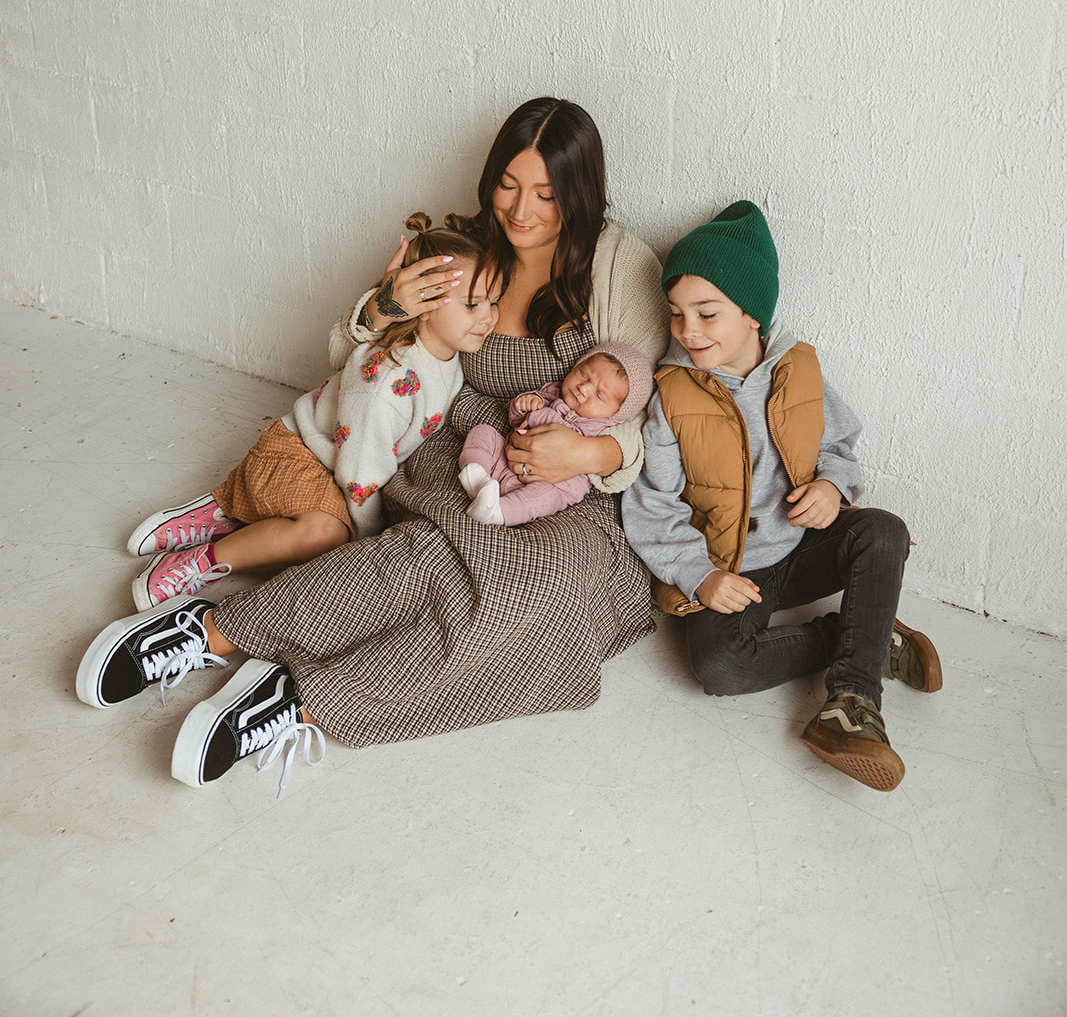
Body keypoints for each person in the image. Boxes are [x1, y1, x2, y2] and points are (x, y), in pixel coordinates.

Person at [76, 98, 671, 795]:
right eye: (508, 184)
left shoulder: (617, 265)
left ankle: (295, 697)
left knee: (548, 595)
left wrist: (590, 456)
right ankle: (208, 633)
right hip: (465, 442)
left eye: (545, 192)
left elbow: (644, 406)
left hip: (576, 483)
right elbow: (354, 358)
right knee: (442, 554)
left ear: (581, 192)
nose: (521, 210)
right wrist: (383, 307)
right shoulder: (464, 250)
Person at [621, 200, 942, 792]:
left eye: (707, 313)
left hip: (803, 544)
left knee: (884, 531)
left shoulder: (800, 370)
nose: (688, 331)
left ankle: (852, 703)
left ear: (752, 314)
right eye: (676, 314)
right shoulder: (671, 396)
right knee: (717, 667)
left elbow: (839, 445)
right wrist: (699, 576)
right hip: (736, 567)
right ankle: (865, 638)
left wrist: (830, 485)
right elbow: (652, 504)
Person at [121, 218, 497, 611]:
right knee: (326, 538)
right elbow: (360, 475)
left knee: (315, 550)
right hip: (300, 454)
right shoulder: (388, 384)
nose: (488, 318)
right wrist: (365, 539)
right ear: (422, 307)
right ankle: (208, 547)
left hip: (339, 463)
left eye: (494, 301)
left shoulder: (451, 352)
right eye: (472, 305)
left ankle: (238, 515)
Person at [459, 341, 654, 525]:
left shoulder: (603, 429)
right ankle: (478, 478)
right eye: (584, 375)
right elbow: (516, 422)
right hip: (505, 460)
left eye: (600, 395)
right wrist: (522, 405)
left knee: (544, 498)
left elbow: (558, 434)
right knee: (483, 432)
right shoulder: (553, 392)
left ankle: (496, 513)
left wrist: (538, 415)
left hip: (548, 484)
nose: (584, 388)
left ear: (616, 414)